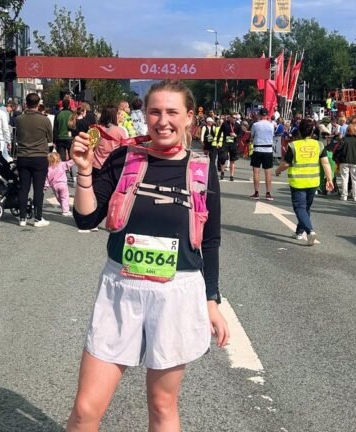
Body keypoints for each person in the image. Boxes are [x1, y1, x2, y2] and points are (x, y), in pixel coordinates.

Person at [67, 79, 228, 431]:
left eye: (172, 112)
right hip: (120, 290)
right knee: (85, 409)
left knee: (162, 404)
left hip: (176, 292)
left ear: (189, 117)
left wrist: (211, 300)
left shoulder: (202, 169)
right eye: (155, 112)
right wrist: (84, 170)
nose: (163, 121)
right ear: (145, 116)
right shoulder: (124, 158)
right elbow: (86, 218)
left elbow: (210, 241)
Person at [274, 118, 334, 245]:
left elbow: (286, 164)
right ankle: (299, 232)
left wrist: (277, 170)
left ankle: (310, 231)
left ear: (299, 131)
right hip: (313, 181)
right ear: (312, 131)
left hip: (298, 182)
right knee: (306, 208)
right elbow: (325, 163)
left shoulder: (294, 145)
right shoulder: (318, 145)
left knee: (299, 208)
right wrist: (329, 179)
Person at [15, 93, 52, 227]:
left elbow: (17, 136)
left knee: (23, 188)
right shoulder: (45, 120)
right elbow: (50, 138)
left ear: (26, 103)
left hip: (23, 156)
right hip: (39, 157)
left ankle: (22, 217)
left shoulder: (19, 119)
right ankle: (38, 218)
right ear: (38, 103)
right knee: (38, 188)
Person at [250, 108, 276, 200]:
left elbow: (252, 135)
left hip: (257, 149)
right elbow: (272, 135)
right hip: (268, 150)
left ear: (260, 115)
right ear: (267, 115)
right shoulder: (271, 125)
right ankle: (268, 193)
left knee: (256, 171)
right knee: (268, 172)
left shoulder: (255, 125)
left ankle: (256, 192)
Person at [92, 105, 126, 176]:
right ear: (114, 116)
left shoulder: (95, 129)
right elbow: (124, 150)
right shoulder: (120, 131)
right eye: (117, 114)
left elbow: (90, 148)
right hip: (110, 166)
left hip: (95, 164)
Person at [338, 122, 356, 201]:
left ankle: (344, 195)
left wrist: (338, 158)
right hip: (355, 161)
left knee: (344, 179)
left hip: (344, 160)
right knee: (355, 179)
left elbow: (339, 149)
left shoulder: (344, 139)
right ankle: (355, 196)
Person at [45, 152, 74, 216]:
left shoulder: (48, 168)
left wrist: (45, 187)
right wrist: (74, 159)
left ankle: (63, 207)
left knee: (59, 198)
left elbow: (46, 179)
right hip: (63, 184)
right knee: (65, 197)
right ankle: (65, 211)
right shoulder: (61, 164)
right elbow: (69, 163)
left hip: (54, 186)